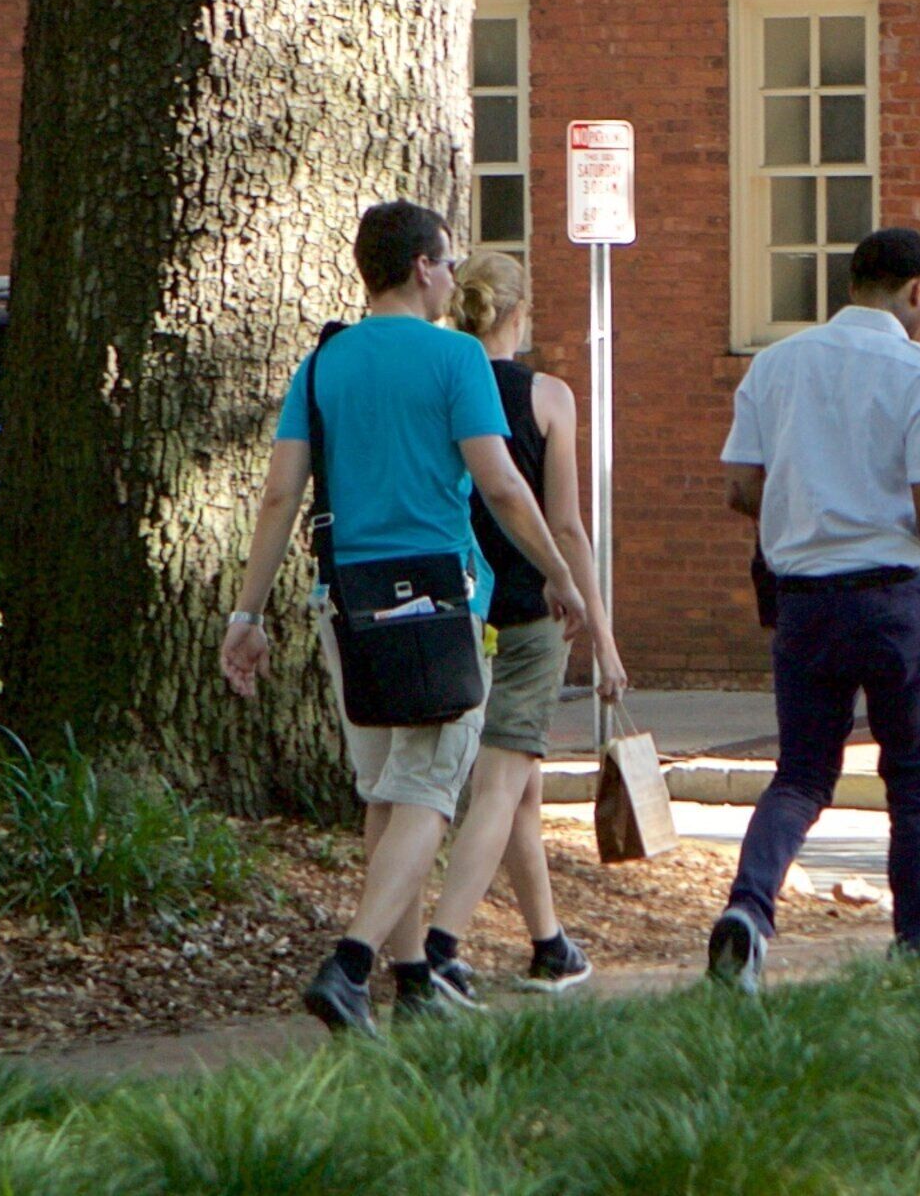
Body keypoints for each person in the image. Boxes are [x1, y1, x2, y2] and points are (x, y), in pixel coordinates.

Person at [220, 200, 586, 1033]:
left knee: (384, 788)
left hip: (343, 599)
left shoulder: (323, 365)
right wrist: (558, 573)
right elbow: (500, 485)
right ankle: (351, 964)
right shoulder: (455, 358)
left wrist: (247, 612)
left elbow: (281, 493)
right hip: (440, 600)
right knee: (428, 790)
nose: (453, 278)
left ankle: (414, 973)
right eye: (447, 262)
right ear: (422, 266)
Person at [705, 226, 920, 990]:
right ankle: (915, 945)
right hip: (895, 600)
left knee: (800, 775)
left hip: (806, 604)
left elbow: (739, 490)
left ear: (853, 282)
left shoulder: (776, 365)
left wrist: (806, 506)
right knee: (916, 778)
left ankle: (749, 911)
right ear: (918, 289)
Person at [414, 250, 628, 998]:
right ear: (519, 313)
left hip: (457, 607)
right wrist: (601, 635)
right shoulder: (550, 398)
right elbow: (566, 527)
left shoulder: (439, 387)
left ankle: (550, 945)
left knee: (521, 789)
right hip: (531, 613)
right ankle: (441, 949)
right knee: (501, 783)